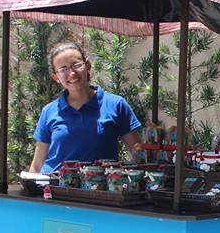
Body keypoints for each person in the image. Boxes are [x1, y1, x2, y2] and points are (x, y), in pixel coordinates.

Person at [28, 41, 142, 174]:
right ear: (56, 77)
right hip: (54, 189)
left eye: (76, 65)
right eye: (63, 69)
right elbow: (36, 166)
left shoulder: (115, 104)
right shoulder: (49, 111)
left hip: (99, 189)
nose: (72, 73)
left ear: (88, 66)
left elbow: (138, 154)